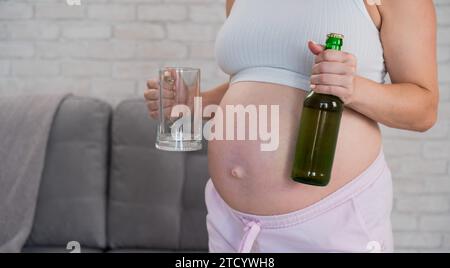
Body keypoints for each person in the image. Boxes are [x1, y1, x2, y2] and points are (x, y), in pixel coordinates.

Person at [144, 0, 439, 253]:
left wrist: (353, 88)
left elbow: (423, 109)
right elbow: (253, 78)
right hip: (231, 223)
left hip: (330, 221)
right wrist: (195, 103)